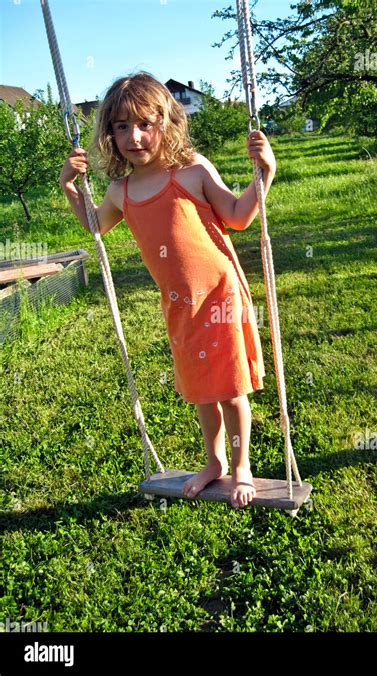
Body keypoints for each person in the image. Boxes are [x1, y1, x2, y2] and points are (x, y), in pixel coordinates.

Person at [59, 71, 277, 508]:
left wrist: (264, 175)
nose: (134, 136)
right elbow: (97, 226)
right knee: (200, 388)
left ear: (166, 122)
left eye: (144, 124)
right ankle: (213, 461)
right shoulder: (121, 190)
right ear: (109, 134)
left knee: (231, 388)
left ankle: (240, 467)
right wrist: (69, 186)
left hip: (219, 295)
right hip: (179, 305)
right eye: (122, 127)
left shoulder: (192, 169)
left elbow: (236, 216)